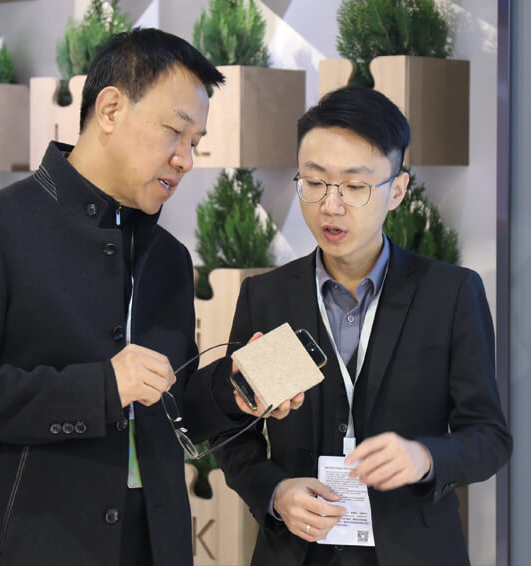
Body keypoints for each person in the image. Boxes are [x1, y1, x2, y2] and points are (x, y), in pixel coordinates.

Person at [0, 28, 285, 566]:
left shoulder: (169, 259)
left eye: (195, 142)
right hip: (18, 549)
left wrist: (232, 390)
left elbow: (165, 410)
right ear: (109, 109)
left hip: (151, 546)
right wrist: (102, 388)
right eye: (174, 132)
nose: (185, 159)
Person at [210, 87, 511, 566]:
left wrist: (425, 457)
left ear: (397, 190)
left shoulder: (450, 294)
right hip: (297, 551)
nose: (330, 206)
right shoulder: (266, 297)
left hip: (414, 551)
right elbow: (233, 430)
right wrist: (275, 492)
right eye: (314, 182)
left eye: (354, 187)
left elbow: (489, 438)